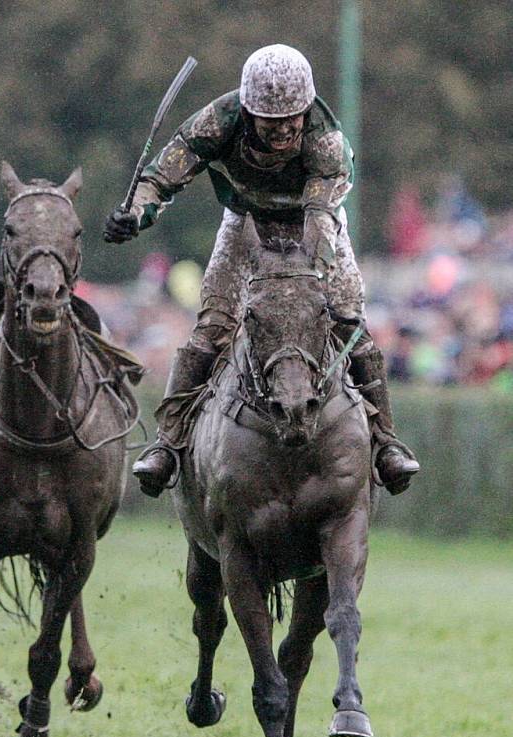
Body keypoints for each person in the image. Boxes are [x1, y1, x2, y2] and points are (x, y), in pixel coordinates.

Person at [104, 44, 419, 497]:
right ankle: (168, 443)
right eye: (272, 122)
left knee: (349, 321)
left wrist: (303, 277)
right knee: (213, 326)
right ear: (249, 114)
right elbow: (164, 173)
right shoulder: (218, 120)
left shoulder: (326, 141)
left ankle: (385, 442)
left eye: (293, 119)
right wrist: (135, 214)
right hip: (245, 220)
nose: (285, 129)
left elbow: (320, 220)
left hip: (316, 224)